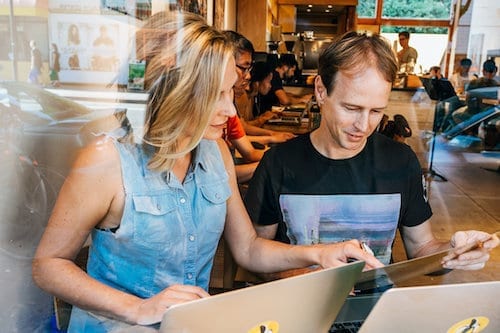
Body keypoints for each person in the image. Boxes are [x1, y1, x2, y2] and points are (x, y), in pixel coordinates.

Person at [32, 12, 382, 332]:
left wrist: (319, 254)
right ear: (175, 92)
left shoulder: (215, 152)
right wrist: (137, 308)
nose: (230, 109)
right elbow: (48, 265)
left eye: (230, 90)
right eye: (216, 95)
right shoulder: (108, 161)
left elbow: (247, 248)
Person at [244, 31, 498, 280]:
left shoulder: (401, 161)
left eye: (376, 111)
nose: (363, 126)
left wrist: (455, 251)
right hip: (298, 307)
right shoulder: (279, 163)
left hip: (376, 308)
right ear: (321, 91)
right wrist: (314, 280)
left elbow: (422, 248)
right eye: (351, 108)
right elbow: (257, 256)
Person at [451, 59, 499, 125]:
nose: (490, 74)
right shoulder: (496, 85)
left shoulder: (475, 82)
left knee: (455, 114)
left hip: (479, 113)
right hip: (488, 113)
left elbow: (468, 99)